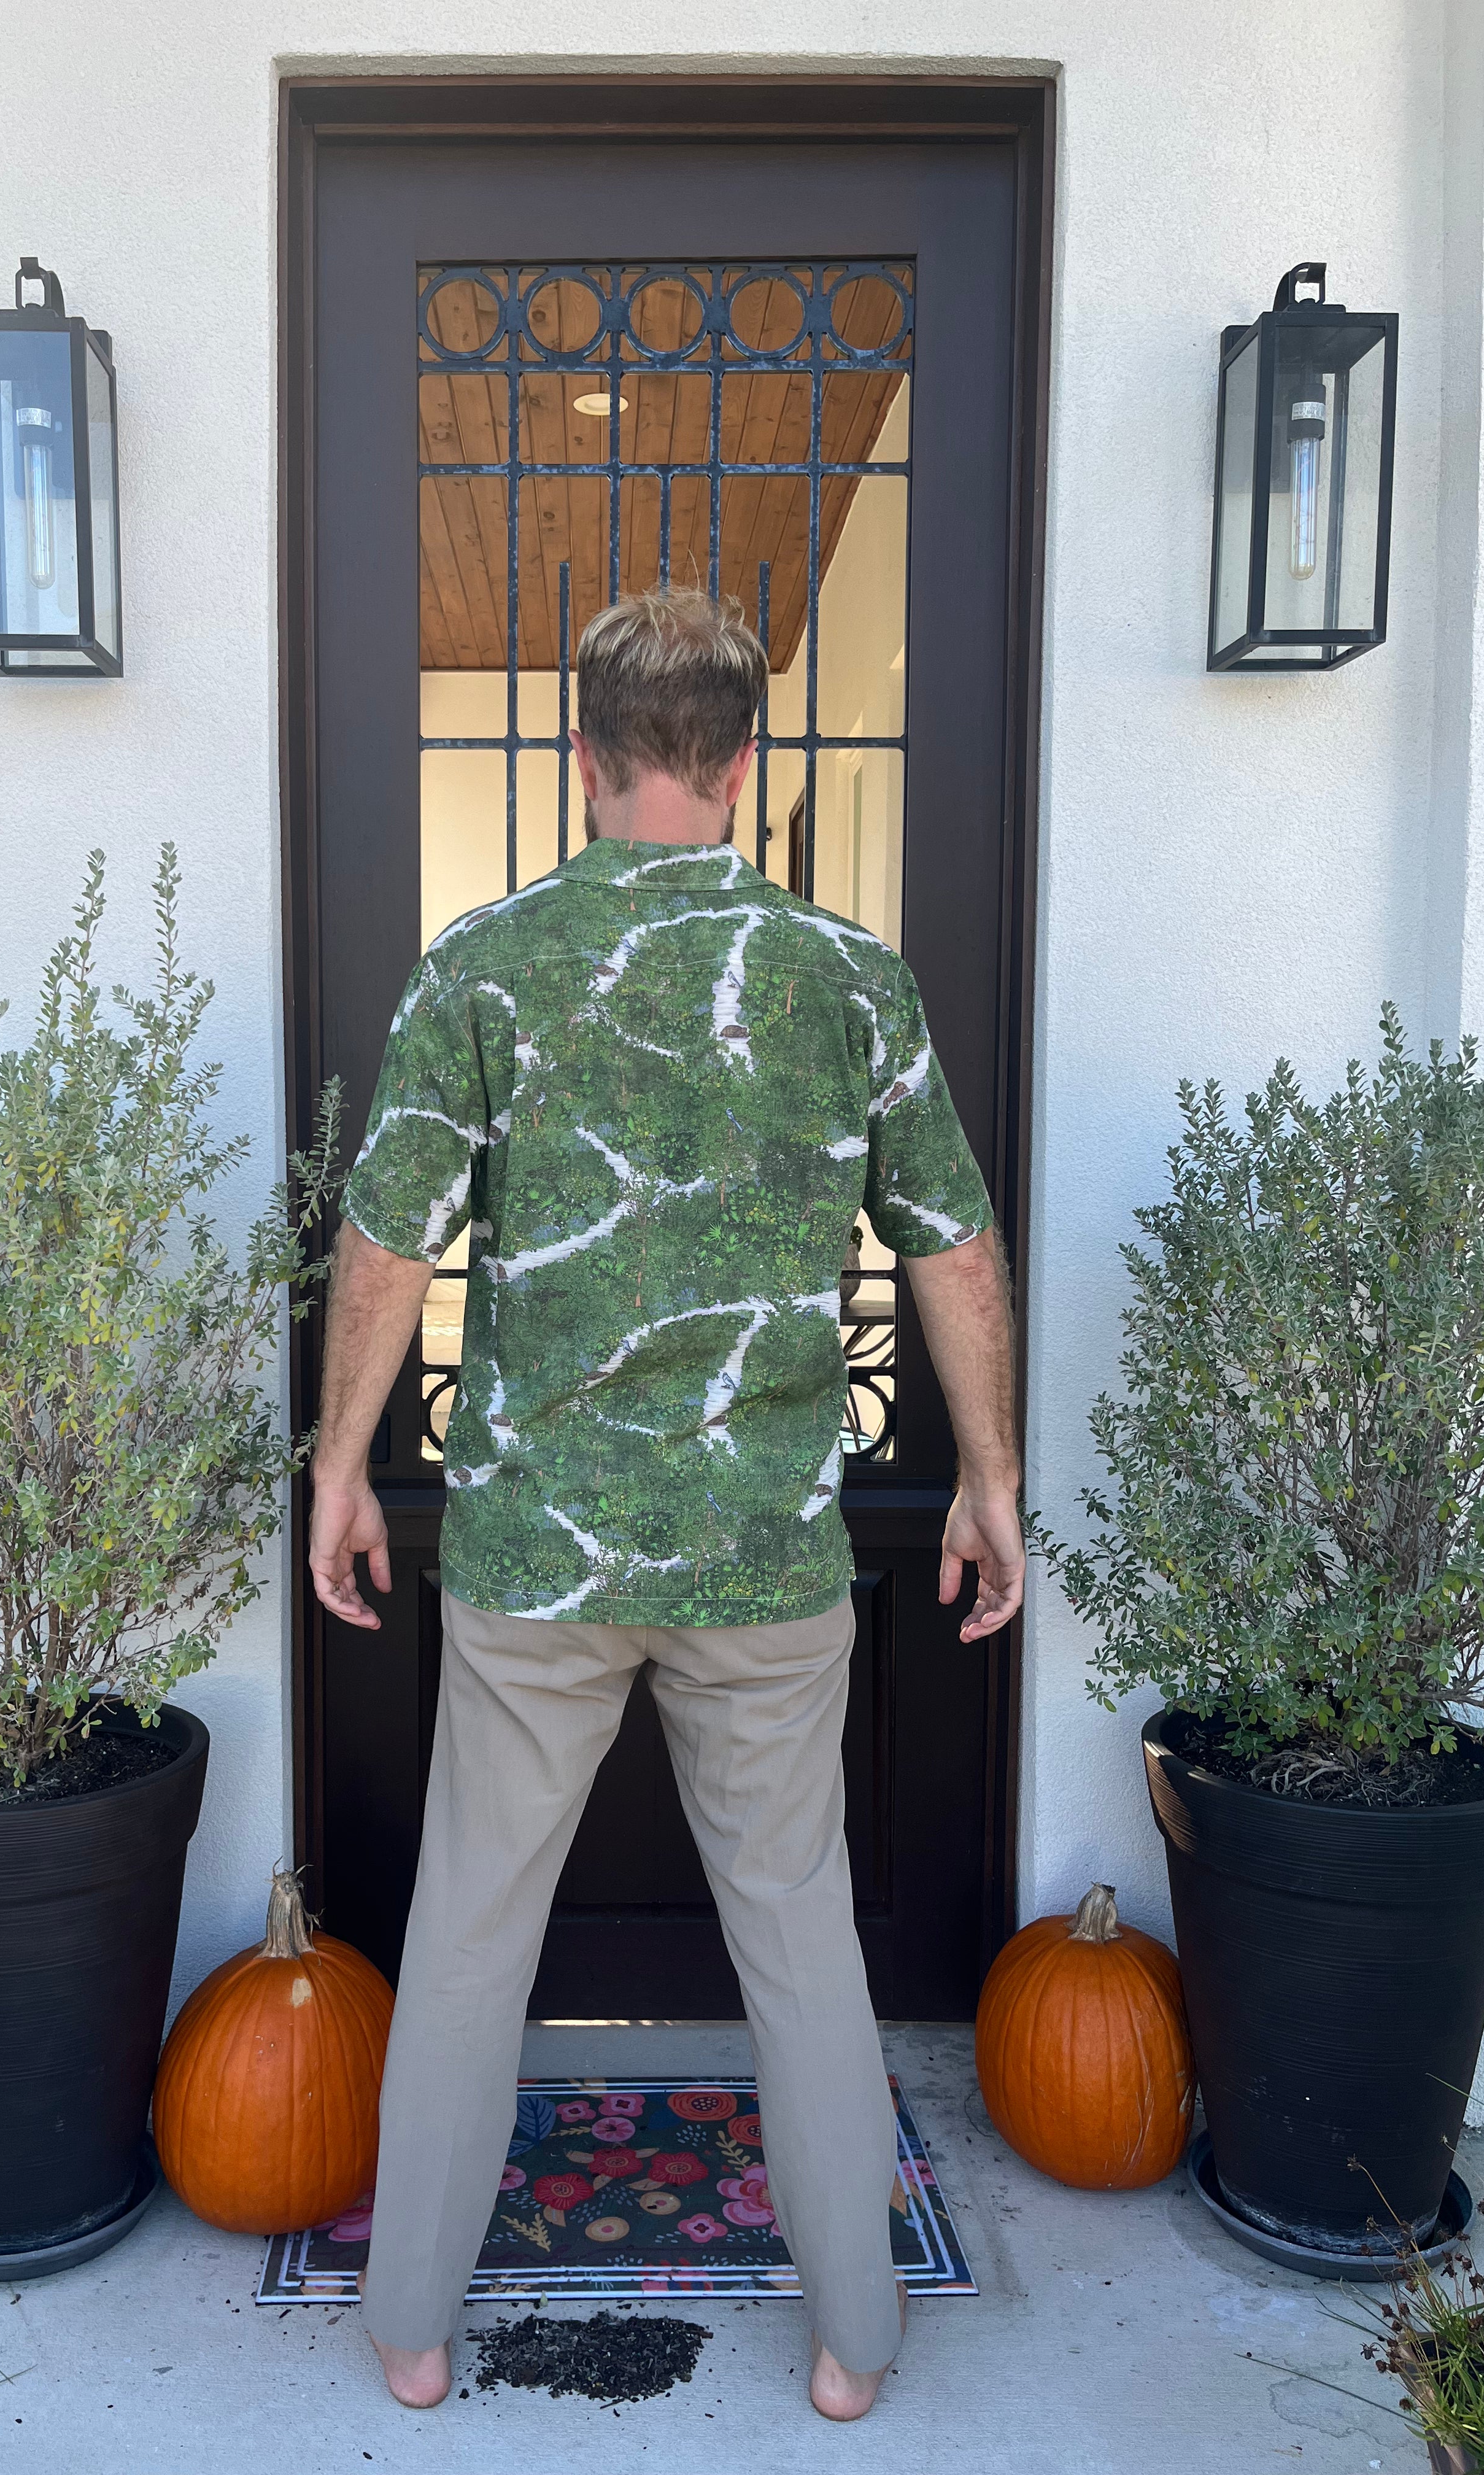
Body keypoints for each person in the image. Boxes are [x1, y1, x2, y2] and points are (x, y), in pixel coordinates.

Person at [307, 586, 1024, 2421]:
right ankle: (859, 2344)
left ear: (583, 759)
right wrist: (992, 1481)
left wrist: (337, 1467)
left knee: (471, 1928)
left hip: (540, 1551)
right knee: (798, 1931)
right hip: (768, 1555)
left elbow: (388, 1242)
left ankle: (408, 2331)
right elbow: (953, 1246)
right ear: (749, 760)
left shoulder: (486, 962)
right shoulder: (851, 980)